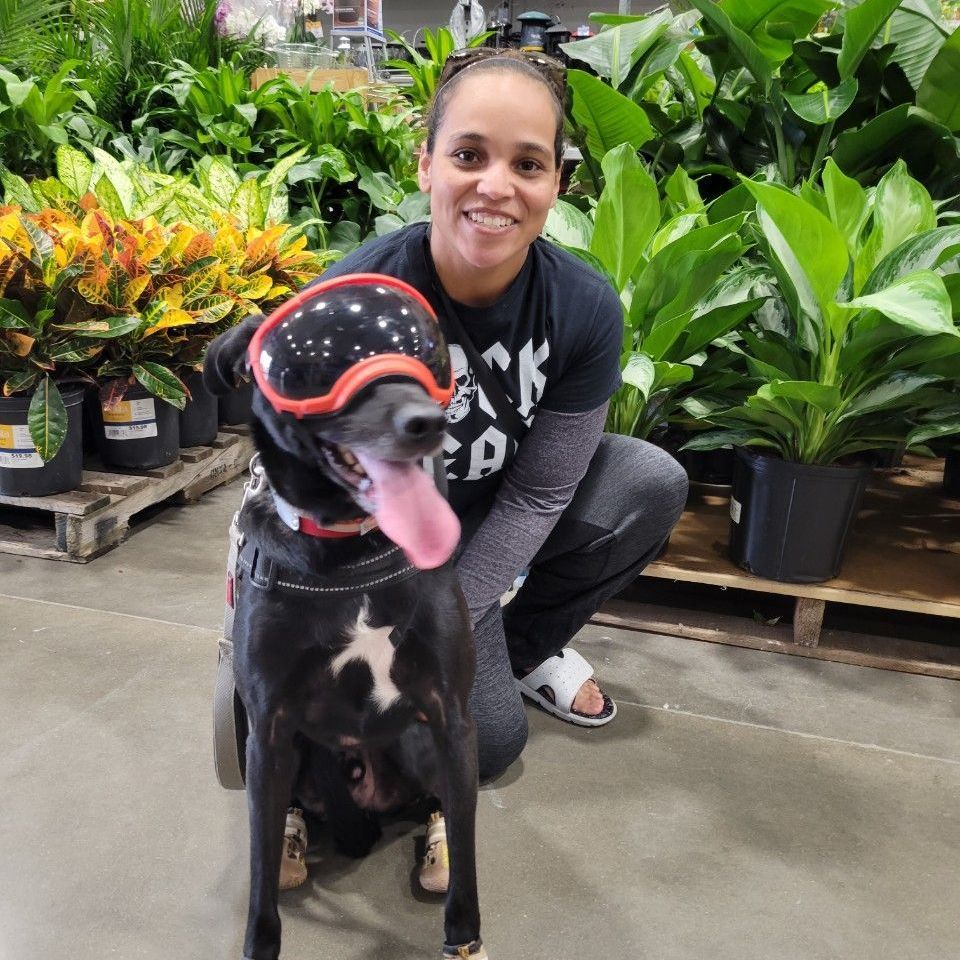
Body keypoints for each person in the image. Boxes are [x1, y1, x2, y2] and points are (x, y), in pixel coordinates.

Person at [279, 48, 688, 888]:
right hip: (368, 557)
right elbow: (296, 493)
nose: (497, 186)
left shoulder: (581, 306)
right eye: (469, 155)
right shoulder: (355, 299)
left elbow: (543, 487)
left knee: (647, 480)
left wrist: (450, 617)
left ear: (558, 182)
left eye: (527, 163)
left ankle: (520, 648)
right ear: (425, 161)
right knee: (460, 744)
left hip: (481, 542)